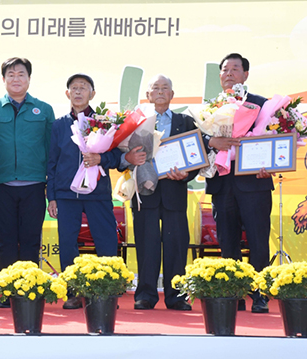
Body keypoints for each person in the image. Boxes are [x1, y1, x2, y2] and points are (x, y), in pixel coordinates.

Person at [46, 74, 145, 309]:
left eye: (84, 88)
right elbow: (51, 163)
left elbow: (118, 157)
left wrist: (101, 158)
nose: (78, 92)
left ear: (93, 94)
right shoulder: (59, 125)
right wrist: (51, 196)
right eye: (74, 88)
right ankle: (73, 292)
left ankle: (107, 292)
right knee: (68, 242)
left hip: (98, 193)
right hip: (66, 193)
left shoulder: (104, 123)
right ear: (67, 94)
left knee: (106, 241)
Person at [0, 57, 55, 308]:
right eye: (10, 74)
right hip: (1, 184)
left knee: (32, 238)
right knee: (6, 240)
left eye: (21, 74)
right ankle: (8, 290)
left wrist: (49, 184)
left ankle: (29, 290)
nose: (16, 79)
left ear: (29, 79)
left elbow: (51, 149)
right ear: (3, 80)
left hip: (34, 183)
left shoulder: (43, 110)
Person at [206, 53, 273, 313]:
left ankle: (259, 294)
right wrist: (212, 141)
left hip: (254, 183)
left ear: (246, 75)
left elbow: (275, 135)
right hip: (222, 184)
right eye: (225, 69)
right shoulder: (209, 108)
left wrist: (271, 164)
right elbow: (200, 140)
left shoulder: (261, 105)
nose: (230, 73)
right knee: (228, 241)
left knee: (258, 240)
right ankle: (234, 292)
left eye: (236, 68)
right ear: (220, 75)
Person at [129, 75, 197, 311]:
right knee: (146, 245)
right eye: (155, 88)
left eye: (164, 88)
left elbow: (196, 157)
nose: (160, 92)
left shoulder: (186, 121)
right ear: (148, 95)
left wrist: (186, 174)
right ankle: (146, 295)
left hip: (174, 192)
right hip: (145, 193)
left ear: (172, 94)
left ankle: (177, 296)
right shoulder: (137, 123)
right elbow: (125, 156)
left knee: (176, 245)